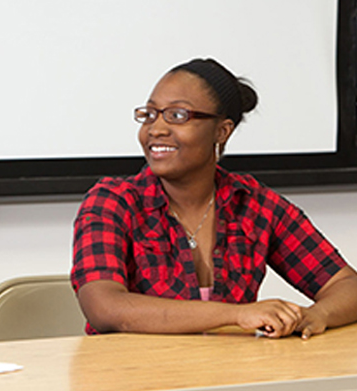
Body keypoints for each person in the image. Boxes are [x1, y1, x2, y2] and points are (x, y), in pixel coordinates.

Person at [71, 58, 357, 340]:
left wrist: (317, 316)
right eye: (150, 114)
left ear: (222, 131)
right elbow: (105, 308)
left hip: (227, 376)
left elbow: (347, 285)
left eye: (177, 115)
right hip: (132, 378)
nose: (155, 129)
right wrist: (237, 314)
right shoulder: (112, 202)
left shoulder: (254, 204)